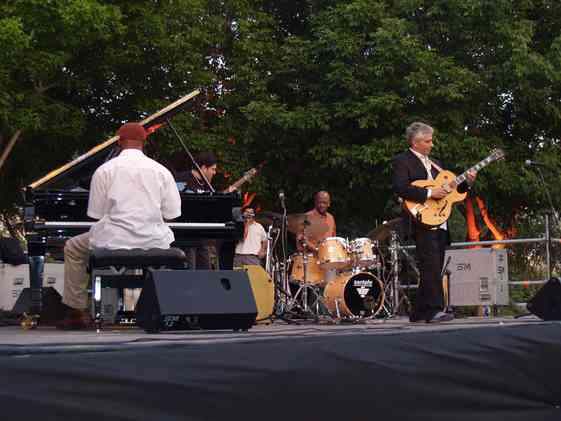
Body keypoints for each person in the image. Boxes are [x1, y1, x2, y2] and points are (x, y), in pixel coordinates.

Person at [59, 122, 181, 329]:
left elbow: (96, 214)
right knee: (165, 239)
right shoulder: (161, 171)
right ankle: (169, 307)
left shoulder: (105, 170)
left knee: (73, 247)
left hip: (113, 239)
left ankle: (77, 312)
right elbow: (172, 214)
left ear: (119, 142)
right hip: (154, 240)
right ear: (144, 142)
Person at [392, 122, 476, 323]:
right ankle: (434, 310)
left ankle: (419, 312)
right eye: (428, 141)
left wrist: (467, 184)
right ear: (416, 142)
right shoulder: (403, 161)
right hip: (421, 219)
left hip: (441, 219)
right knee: (430, 264)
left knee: (435, 266)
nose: (432, 144)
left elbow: (451, 193)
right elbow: (400, 188)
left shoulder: (436, 163)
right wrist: (430, 192)